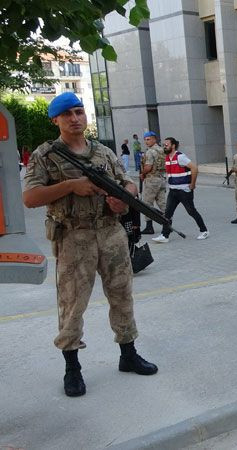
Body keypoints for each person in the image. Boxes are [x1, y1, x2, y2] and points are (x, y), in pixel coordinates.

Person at [22, 92, 157, 398]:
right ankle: (72, 368)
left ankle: (128, 354)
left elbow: (127, 183)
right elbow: (29, 198)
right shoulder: (46, 155)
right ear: (56, 120)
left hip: (110, 233)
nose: (75, 118)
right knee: (72, 305)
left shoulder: (103, 153)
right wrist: (71, 186)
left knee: (122, 296)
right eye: (67, 113)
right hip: (73, 237)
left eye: (79, 111)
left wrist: (122, 199)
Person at [151, 137, 209, 243]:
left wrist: (192, 184)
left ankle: (204, 231)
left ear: (173, 146)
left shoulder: (180, 157)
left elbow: (194, 168)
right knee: (168, 213)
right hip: (173, 191)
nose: (165, 146)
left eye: (167, 145)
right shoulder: (167, 158)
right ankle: (165, 235)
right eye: (164, 145)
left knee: (191, 211)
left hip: (184, 191)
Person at [139, 131, 167, 235]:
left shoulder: (150, 151)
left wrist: (142, 173)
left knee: (146, 203)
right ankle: (167, 223)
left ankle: (149, 227)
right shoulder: (161, 150)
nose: (146, 142)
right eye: (145, 140)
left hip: (151, 179)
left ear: (154, 139)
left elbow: (148, 167)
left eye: (148, 139)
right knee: (162, 203)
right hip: (161, 178)